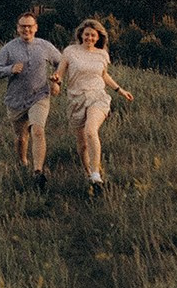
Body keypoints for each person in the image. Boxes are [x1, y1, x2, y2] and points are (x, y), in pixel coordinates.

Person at [54, 17, 133, 195]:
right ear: (81, 34)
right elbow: (59, 74)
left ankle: (96, 176)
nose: (90, 38)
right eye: (87, 34)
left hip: (98, 97)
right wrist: (56, 81)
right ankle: (88, 172)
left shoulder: (102, 54)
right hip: (76, 99)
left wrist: (120, 90)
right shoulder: (70, 51)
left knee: (91, 130)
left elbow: (104, 75)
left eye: (93, 36)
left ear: (98, 38)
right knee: (82, 144)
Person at [0, 12, 62, 186]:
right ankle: (23, 161)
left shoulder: (45, 46)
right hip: (15, 99)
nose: (26, 29)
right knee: (21, 138)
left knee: (37, 130)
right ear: (18, 28)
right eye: (23, 26)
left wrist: (56, 80)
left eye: (30, 26)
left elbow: (61, 63)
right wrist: (10, 69)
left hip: (39, 96)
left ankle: (38, 172)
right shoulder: (9, 48)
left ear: (36, 28)